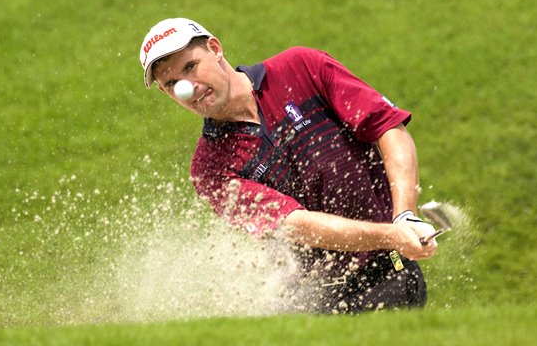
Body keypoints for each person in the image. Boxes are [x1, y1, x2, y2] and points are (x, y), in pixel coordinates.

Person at [138, 17, 438, 314]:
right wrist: (390, 235)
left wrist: (405, 217)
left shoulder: (301, 67)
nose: (187, 88)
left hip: (391, 273)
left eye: (190, 67)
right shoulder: (210, 168)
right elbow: (294, 225)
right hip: (318, 303)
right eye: (172, 83)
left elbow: (387, 128)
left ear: (215, 48)